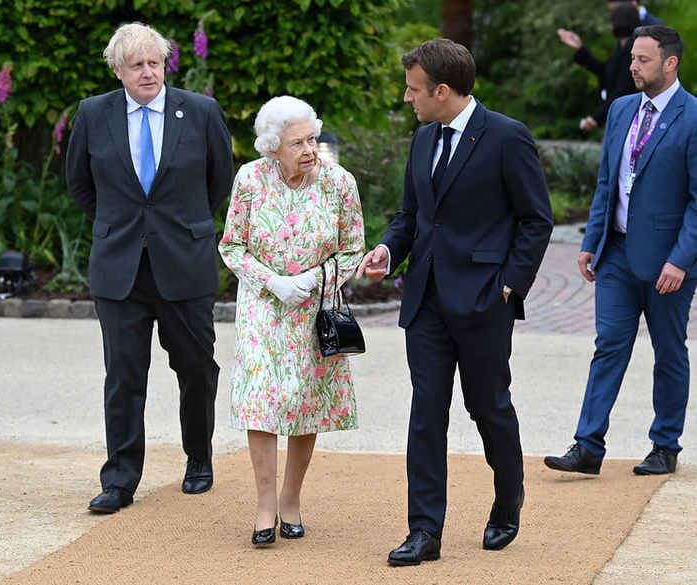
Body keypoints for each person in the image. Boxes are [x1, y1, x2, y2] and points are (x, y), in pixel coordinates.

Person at [356, 39, 552, 564]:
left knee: (488, 408)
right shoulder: (422, 140)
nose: (406, 98)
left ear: (443, 90)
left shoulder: (507, 137)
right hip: (426, 301)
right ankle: (424, 531)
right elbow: (411, 216)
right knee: (425, 415)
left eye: (414, 89)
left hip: (485, 301)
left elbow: (537, 220)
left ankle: (508, 499)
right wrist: (386, 249)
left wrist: (509, 286)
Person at [66, 22, 234, 513]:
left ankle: (198, 458)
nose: (147, 72)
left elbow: (217, 180)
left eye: (155, 63)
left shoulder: (200, 112)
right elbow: (79, 184)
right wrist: (124, 227)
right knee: (123, 375)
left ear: (166, 65)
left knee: (197, 367)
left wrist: (178, 226)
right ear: (118, 70)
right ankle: (119, 480)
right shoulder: (93, 114)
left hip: (184, 262)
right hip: (119, 266)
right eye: (136, 64)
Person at [545, 25, 697, 477]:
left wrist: (681, 260)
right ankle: (588, 445)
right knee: (609, 347)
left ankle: (664, 445)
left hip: (668, 263)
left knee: (669, 352)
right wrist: (592, 242)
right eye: (632, 58)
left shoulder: (693, 117)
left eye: (643, 60)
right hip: (615, 256)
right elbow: (608, 182)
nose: (632, 66)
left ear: (670, 63)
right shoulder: (621, 109)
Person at [218, 96, 365, 546]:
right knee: (260, 397)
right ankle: (264, 505)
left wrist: (314, 279)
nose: (309, 149)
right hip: (264, 304)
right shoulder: (250, 179)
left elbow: (354, 249)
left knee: (305, 400)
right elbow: (232, 247)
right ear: (271, 146)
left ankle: (290, 500)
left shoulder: (339, 183)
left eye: (313, 139)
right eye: (297, 142)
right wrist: (273, 282)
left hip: (315, 308)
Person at [557, 3, 641, 133]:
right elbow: (606, 72)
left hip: (628, 118)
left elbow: (622, 89)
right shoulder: (622, 47)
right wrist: (579, 48)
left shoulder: (633, 49)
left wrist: (596, 118)